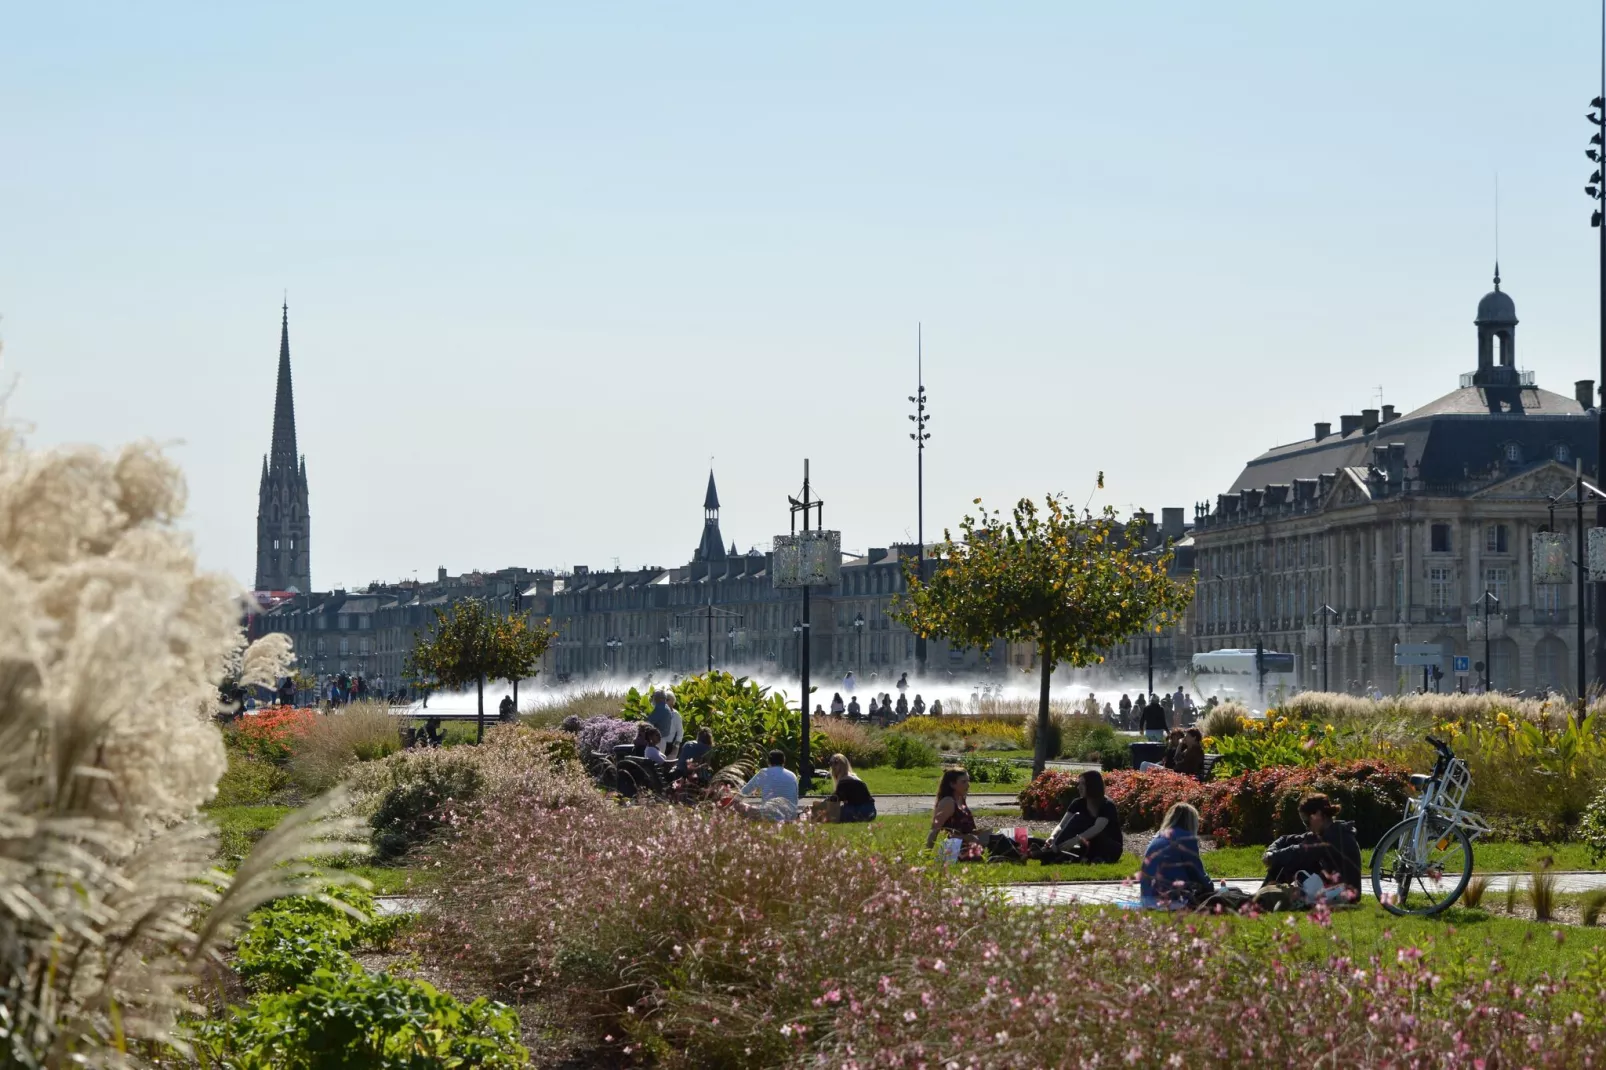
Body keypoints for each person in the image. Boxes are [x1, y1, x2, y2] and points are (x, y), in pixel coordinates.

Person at [1262, 794, 1363, 900]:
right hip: (1332, 889)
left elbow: (1299, 851)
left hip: (1343, 894)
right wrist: (1270, 852)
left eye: (1307, 821)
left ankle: (1262, 898)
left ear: (1318, 814)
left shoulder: (1336, 837)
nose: (1306, 826)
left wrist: (1272, 857)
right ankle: (1263, 896)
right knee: (1285, 859)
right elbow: (1285, 840)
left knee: (1290, 861)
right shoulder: (1327, 832)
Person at [1033, 770, 1122, 864]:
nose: (1078, 787)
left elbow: (1097, 828)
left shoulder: (1107, 804)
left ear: (1092, 785)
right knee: (1076, 821)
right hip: (1087, 844)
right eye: (1079, 784)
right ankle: (1050, 850)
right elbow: (1062, 825)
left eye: (1082, 784)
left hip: (1109, 847)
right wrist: (1053, 836)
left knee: (1079, 818)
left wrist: (1074, 840)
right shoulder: (1078, 803)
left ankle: (1047, 852)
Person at [1140, 803, 1213, 908]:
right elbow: (1196, 872)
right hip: (1171, 899)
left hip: (1147, 898)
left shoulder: (1159, 836)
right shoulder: (1186, 838)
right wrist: (1210, 887)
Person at [726, 749, 799, 822]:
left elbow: (744, 791)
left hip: (768, 816)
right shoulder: (792, 775)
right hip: (790, 816)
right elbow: (795, 799)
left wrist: (728, 806)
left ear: (768, 761)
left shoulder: (764, 773)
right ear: (784, 761)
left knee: (738, 805)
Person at [812, 753, 877, 823]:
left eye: (833, 763)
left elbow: (834, 800)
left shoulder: (845, 781)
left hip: (860, 811)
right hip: (871, 812)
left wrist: (818, 806)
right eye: (830, 763)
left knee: (828, 814)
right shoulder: (853, 777)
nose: (832, 767)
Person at [926, 768, 980, 850]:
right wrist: (926, 855)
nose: (968, 785)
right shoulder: (948, 802)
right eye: (963, 782)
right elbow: (934, 830)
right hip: (955, 849)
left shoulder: (961, 799)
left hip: (971, 846)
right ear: (952, 784)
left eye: (968, 781)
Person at [646, 690, 684, 757]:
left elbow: (680, 731)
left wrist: (677, 745)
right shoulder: (661, 710)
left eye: (668, 699)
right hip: (659, 741)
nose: (666, 701)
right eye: (666, 699)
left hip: (669, 744)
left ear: (673, 701)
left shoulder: (676, 715)